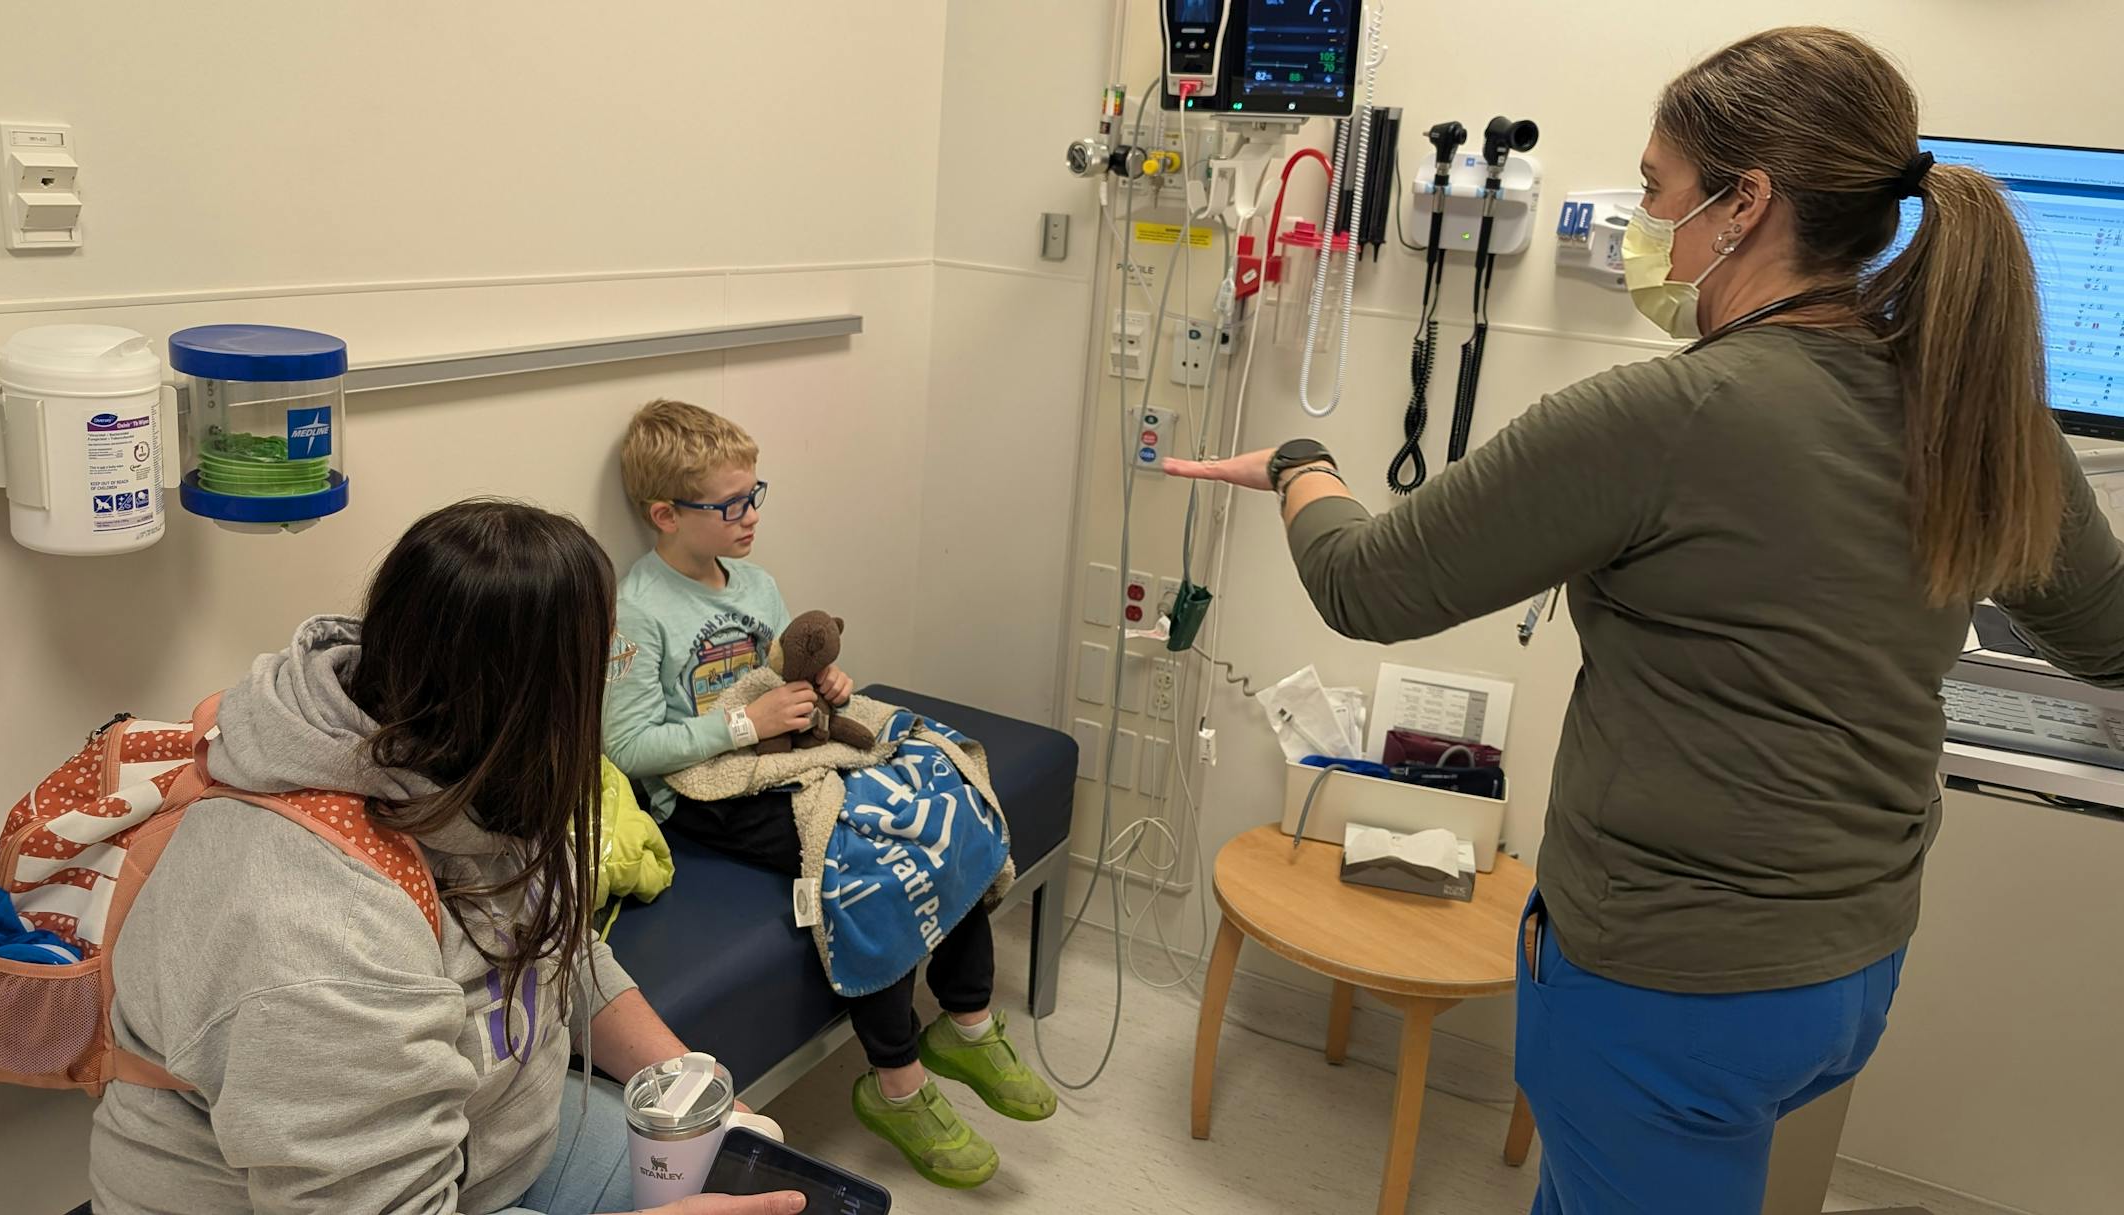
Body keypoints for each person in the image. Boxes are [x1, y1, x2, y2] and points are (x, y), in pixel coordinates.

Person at [1168, 26, 2124, 1215]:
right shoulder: (1982, 415)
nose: (1644, 221)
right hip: (1851, 972)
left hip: (1671, 988)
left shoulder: (1666, 416)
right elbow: (2109, 638)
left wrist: (1301, 465)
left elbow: (1366, 585)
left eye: (1658, 188)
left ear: (1744, 205)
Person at [89, 499, 803, 1215]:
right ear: (533, 700)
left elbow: (553, 946)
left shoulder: (466, 761)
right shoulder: (319, 933)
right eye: (602, 660)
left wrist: (693, 1084)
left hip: (491, 1141)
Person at [601, 401, 1056, 1190]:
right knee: (863, 851)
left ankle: (969, 1018)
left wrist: (824, 684)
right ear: (666, 514)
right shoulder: (637, 611)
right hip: (708, 797)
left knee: (935, 800)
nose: (751, 515)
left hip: (782, 756)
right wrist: (745, 723)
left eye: (754, 494)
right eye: (731, 504)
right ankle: (896, 1083)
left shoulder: (755, 582)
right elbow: (629, 746)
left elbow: (789, 670)